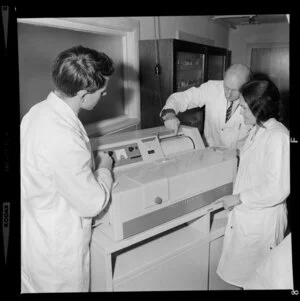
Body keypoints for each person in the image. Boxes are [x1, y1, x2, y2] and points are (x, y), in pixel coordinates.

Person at [21, 45, 115, 293]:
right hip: (57, 256)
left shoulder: (36, 112)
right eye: (102, 91)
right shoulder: (63, 137)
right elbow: (93, 203)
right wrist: (104, 169)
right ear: (83, 95)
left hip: (35, 236)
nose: (105, 94)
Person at [216, 79, 290, 289]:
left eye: (245, 108)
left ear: (261, 108)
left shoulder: (278, 136)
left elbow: (278, 188)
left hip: (263, 222)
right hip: (249, 215)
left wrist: (239, 198)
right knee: (245, 279)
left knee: (257, 279)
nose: (241, 112)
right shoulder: (258, 129)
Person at [160, 64, 253, 150]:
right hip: (208, 151)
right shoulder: (212, 88)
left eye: (234, 90)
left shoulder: (255, 101)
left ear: (247, 86)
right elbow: (182, 98)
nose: (228, 94)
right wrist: (169, 115)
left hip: (237, 157)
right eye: (226, 87)